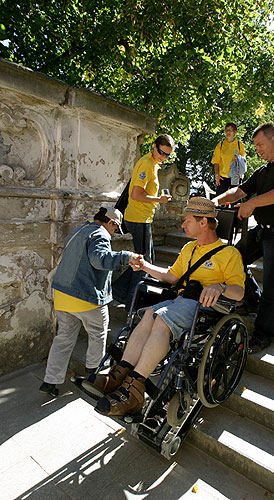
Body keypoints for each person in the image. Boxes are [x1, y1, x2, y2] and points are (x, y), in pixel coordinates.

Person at [86, 197, 245, 418]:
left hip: (205, 308)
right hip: (180, 302)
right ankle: (117, 376)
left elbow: (239, 292)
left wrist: (221, 286)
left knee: (161, 317)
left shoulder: (229, 254)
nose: (183, 225)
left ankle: (135, 389)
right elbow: (170, 276)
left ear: (203, 222)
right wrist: (144, 266)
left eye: (187, 220)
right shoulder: (189, 248)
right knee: (149, 313)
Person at [213, 122, 274, 353]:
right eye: (255, 145)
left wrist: (253, 203)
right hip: (261, 230)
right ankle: (253, 301)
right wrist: (215, 201)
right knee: (233, 258)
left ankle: (263, 335)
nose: (257, 150)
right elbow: (239, 191)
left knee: (273, 285)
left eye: (260, 144)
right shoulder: (262, 171)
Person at [39, 207, 140, 397]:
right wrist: (127, 257)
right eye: (115, 229)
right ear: (111, 223)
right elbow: (99, 259)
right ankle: (94, 377)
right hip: (85, 297)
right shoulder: (101, 234)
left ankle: (50, 381)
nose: (114, 233)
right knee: (98, 335)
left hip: (62, 294)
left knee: (63, 338)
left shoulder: (79, 230)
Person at [112, 134, 174, 311]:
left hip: (142, 218)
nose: (164, 157)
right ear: (154, 147)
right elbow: (136, 194)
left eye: (168, 155)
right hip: (138, 219)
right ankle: (132, 304)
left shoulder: (153, 164)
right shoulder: (146, 164)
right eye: (162, 152)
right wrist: (159, 199)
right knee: (144, 262)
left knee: (145, 260)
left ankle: (118, 291)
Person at [211, 123, 246, 196]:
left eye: (230, 130)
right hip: (222, 177)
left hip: (235, 177)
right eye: (226, 130)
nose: (228, 132)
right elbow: (216, 162)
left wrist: (238, 159)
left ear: (235, 132)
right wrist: (217, 175)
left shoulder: (240, 145)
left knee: (235, 202)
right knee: (219, 202)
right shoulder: (220, 145)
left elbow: (243, 162)